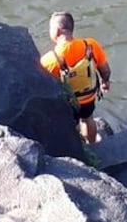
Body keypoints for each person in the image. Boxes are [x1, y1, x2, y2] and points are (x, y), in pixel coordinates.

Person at [40, 11, 111, 143]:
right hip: (88, 97)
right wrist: (105, 82)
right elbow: (105, 69)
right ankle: (93, 143)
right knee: (88, 119)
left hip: (67, 103)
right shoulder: (90, 45)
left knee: (68, 124)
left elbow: (44, 86)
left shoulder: (48, 60)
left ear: (56, 31)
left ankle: (76, 147)